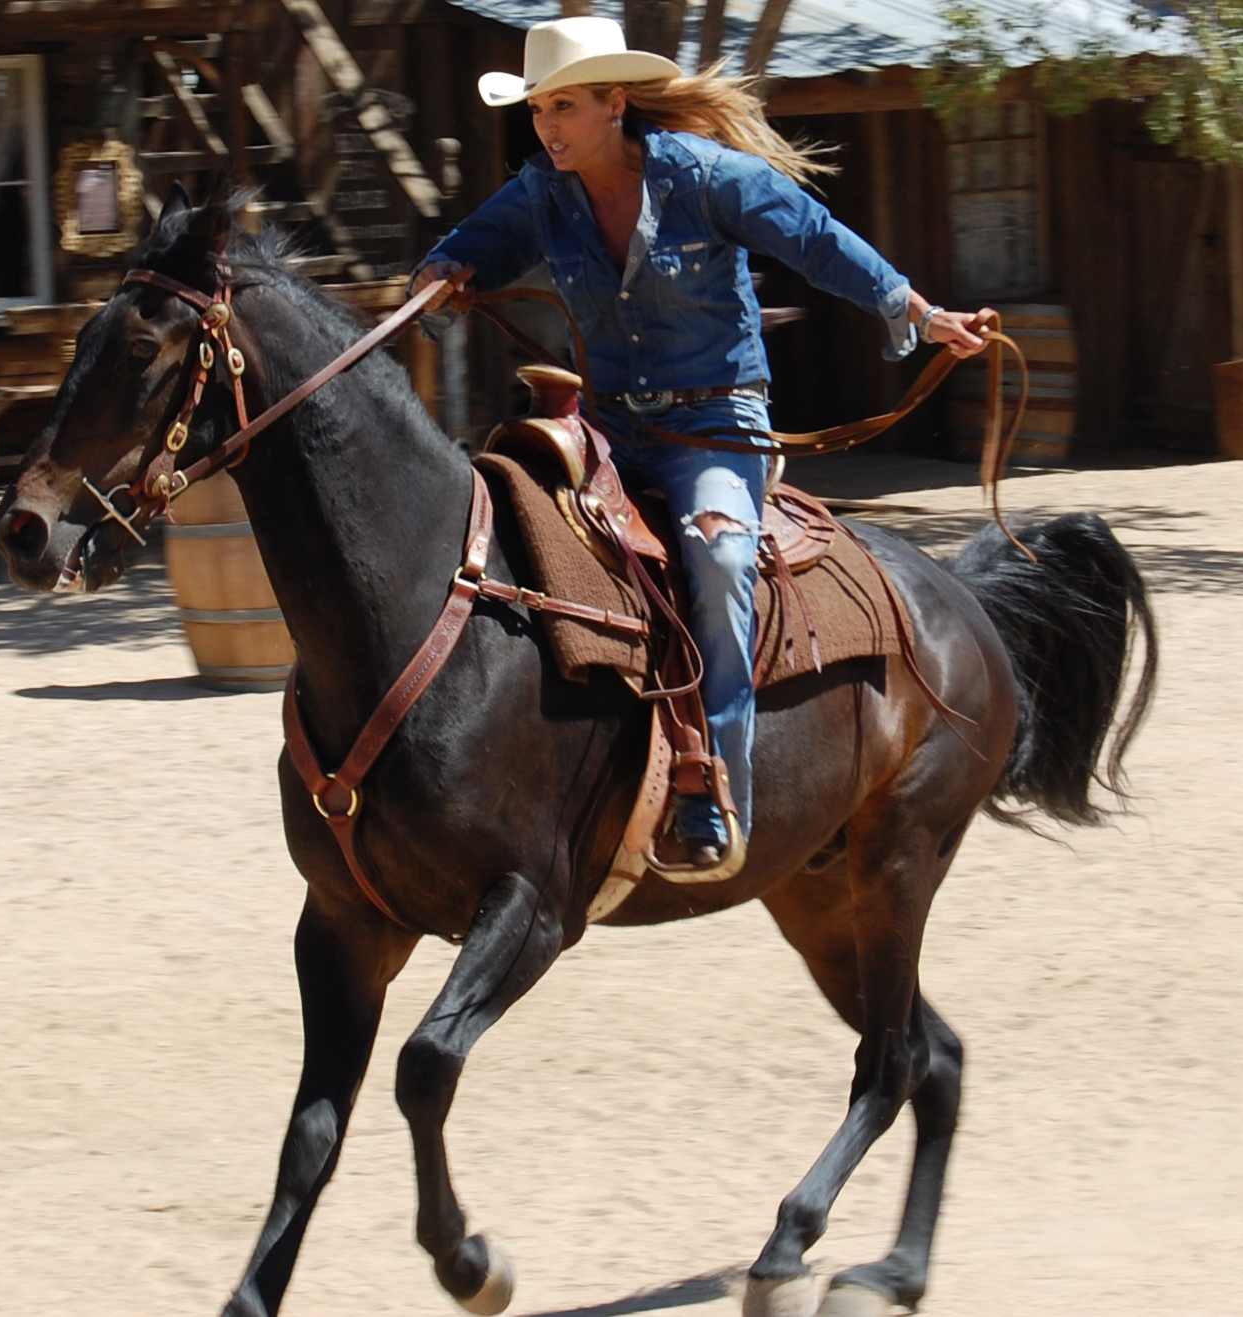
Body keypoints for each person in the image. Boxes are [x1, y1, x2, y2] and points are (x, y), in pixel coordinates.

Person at [413, 16, 990, 866]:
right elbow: (471, 248)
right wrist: (439, 277)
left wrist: (919, 312)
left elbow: (818, 242)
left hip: (714, 429)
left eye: (564, 106)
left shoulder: (707, 178)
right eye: (538, 110)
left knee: (716, 566)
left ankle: (718, 786)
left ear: (615, 103)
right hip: (607, 428)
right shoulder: (542, 191)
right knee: (502, 546)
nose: (546, 126)